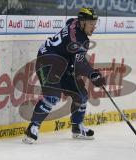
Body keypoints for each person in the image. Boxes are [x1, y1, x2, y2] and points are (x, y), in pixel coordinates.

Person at [22, 7, 106, 144]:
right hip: (47, 61)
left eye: (95, 23)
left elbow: (74, 55)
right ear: (83, 22)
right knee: (52, 96)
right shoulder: (81, 40)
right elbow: (79, 65)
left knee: (81, 95)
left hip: (62, 64)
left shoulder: (74, 22)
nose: (94, 26)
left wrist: (91, 73)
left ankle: (77, 128)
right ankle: (33, 128)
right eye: (91, 23)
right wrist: (93, 74)